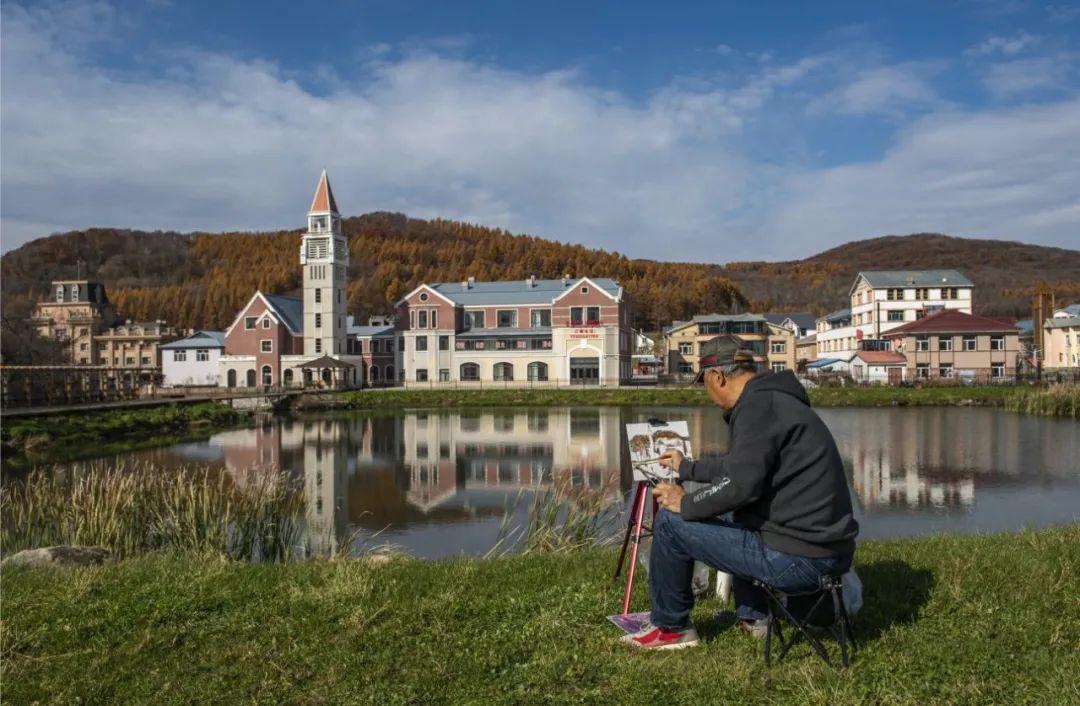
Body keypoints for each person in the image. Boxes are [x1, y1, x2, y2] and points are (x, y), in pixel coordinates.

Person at [621, 336, 859, 650]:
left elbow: (739, 486)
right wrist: (688, 469)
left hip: (801, 559)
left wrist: (686, 502)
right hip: (826, 552)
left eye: (705, 383)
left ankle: (672, 627)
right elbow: (740, 469)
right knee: (740, 514)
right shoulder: (773, 400)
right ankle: (755, 618)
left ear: (717, 377)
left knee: (670, 522)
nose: (707, 394)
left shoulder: (757, 407)